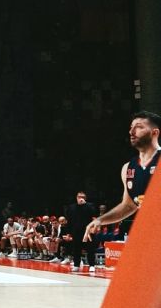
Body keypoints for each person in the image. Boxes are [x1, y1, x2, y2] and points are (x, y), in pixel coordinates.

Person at [84, 111, 161, 244]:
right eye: (131, 127)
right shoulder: (128, 168)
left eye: (139, 127)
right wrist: (100, 220)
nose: (132, 131)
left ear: (155, 133)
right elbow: (128, 206)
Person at [64, 192, 95, 271]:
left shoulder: (90, 205)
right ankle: (76, 265)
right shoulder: (72, 207)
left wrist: (85, 204)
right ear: (76, 197)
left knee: (90, 248)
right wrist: (68, 233)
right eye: (79, 197)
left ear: (85, 198)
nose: (81, 198)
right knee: (76, 249)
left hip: (87, 231)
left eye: (83, 197)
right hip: (76, 231)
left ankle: (92, 265)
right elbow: (69, 220)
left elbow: (94, 214)